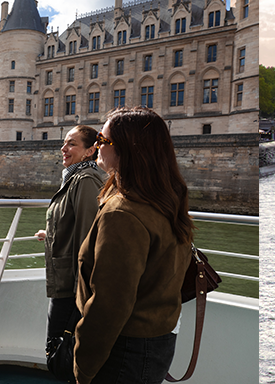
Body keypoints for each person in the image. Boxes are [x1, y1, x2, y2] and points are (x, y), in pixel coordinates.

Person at [74, 107, 194, 384]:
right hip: (157, 339)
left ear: (127, 149)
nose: (96, 147)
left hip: (123, 349)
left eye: (103, 141)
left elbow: (110, 303)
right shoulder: (166, 199)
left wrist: (84, 366)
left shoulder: (123, 213)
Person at [36, 125, 107, 361]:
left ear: (90, 151)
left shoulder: (85, 180)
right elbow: (74, 223)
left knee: (58, 352)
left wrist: (81, 294)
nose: (63, 148)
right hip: (65, 279)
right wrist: (52, 234)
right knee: (58, 348)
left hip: (71, 286)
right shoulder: (75, 177)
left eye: (71, 144)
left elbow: (88, 236)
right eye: (64, 143)